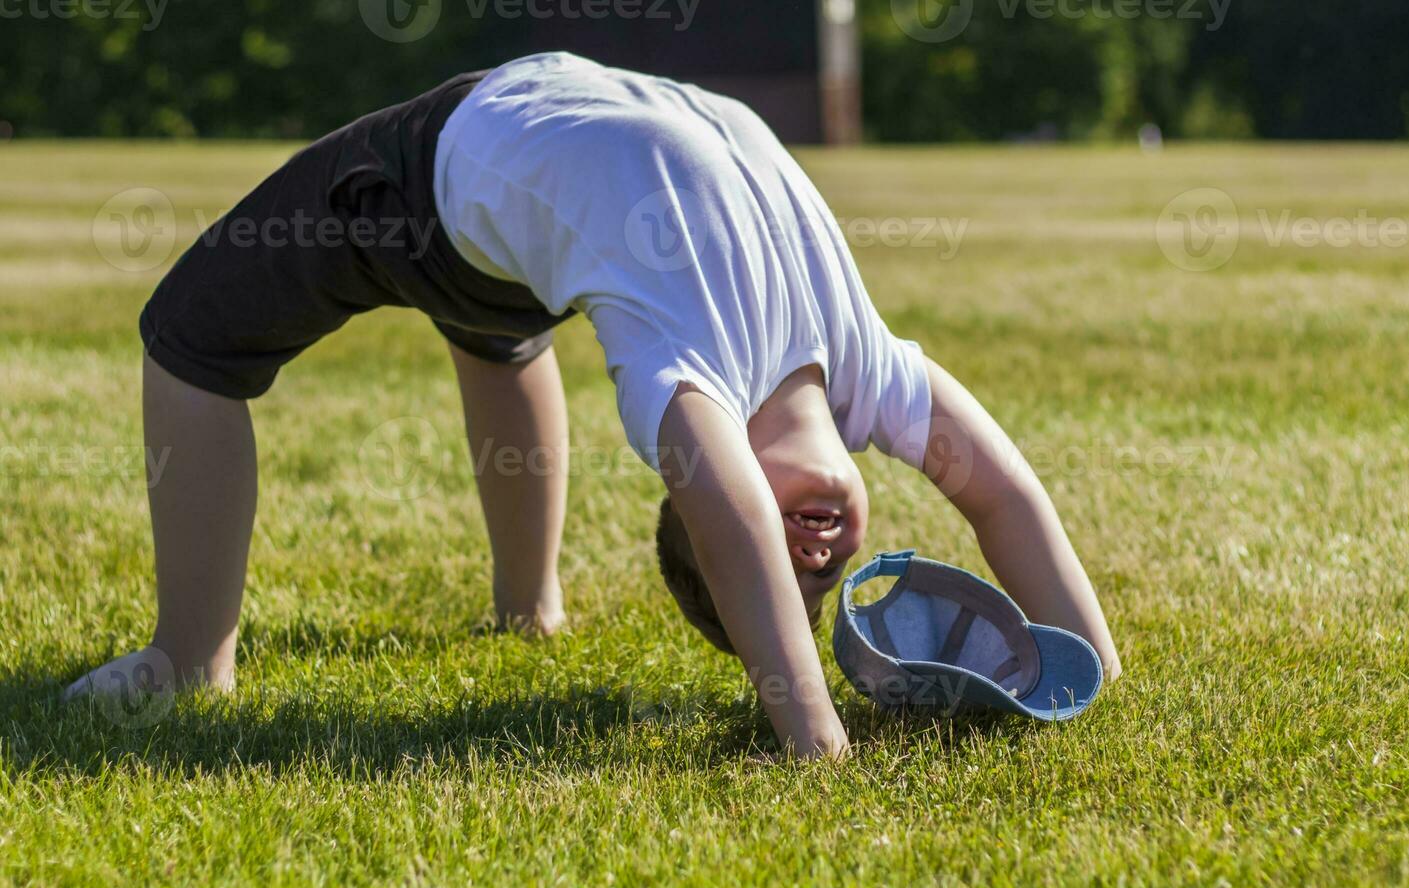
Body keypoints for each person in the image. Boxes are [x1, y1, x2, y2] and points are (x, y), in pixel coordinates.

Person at [65, 52, 1121, 757]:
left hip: (441, 171)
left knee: (193, 333)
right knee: (492, 310)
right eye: (828, 572)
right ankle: (510, 609)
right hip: (561, 131)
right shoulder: (869, 376)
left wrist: (809, 740)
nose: (814, 554)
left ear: (698, 500)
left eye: (767, 569)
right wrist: (1088, 669)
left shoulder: (685, 373)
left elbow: (734, 512)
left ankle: (186, 664)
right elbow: (1006, 496)